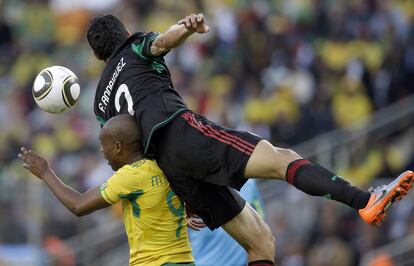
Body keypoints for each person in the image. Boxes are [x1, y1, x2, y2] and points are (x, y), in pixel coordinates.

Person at [87, 13, 414, 266]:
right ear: (126, 34)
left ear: (97, 55)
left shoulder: (101, 100)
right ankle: (364, 201)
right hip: (183, 133)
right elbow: (162, 42)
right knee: (281, 159)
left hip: (171, 172)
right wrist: (186, 27)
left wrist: (180, 194)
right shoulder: (135, 46)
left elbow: (128, 151)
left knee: (260, 242)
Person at [18, 114, 196, 266]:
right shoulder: (163, 163)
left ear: (118, 147)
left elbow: (79, 205)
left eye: (104, 144)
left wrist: (45, 172)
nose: (102, 151)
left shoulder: (133, 175)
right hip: (183, 259)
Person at [188, 179, 265, 266]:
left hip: (240, 262)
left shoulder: (249, 183)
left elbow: (259, 222)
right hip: (203, 261)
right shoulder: (189, 185)